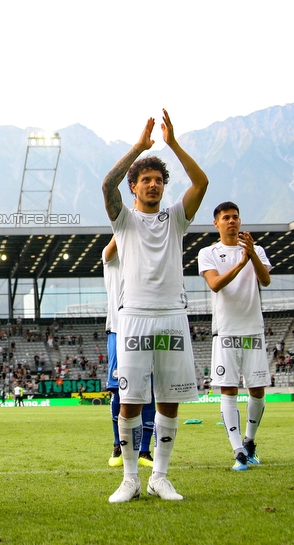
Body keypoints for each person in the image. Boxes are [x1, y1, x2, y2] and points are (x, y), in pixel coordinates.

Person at [101, 111, 208, 503]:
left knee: (169, 398)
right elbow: (106, 184)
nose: (153, 185)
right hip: (133, 317)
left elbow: (201, 182)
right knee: (129, 403)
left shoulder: (176, 217)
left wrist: (173, 144)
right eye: (145, 180)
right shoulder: (124, 220)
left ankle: (159, 476)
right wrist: (139, 148)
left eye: (159, 180)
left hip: (173, 315)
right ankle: (129, 479)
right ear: (134, 187)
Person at [198, 202, 272, 471]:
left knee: (257, 389)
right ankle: (237, 450)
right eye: (226, 218)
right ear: (216, 223)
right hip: (226, 329)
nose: (232, 221)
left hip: (253, 328)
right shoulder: (208, 252)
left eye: (235, 217)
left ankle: (250, 441)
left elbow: (265, 281)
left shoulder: (256, 250)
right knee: (228, 388)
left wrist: (251, 255)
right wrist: (241, 264)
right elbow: (215, 284)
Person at [103, 237, 156, 469]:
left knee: (149, 390)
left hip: (145, 330)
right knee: (118, 391)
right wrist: (127, 226)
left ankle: (145, 450)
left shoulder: (144, 259)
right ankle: (118, 446)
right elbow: (111, 247)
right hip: (118, 330)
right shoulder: (112, 258)